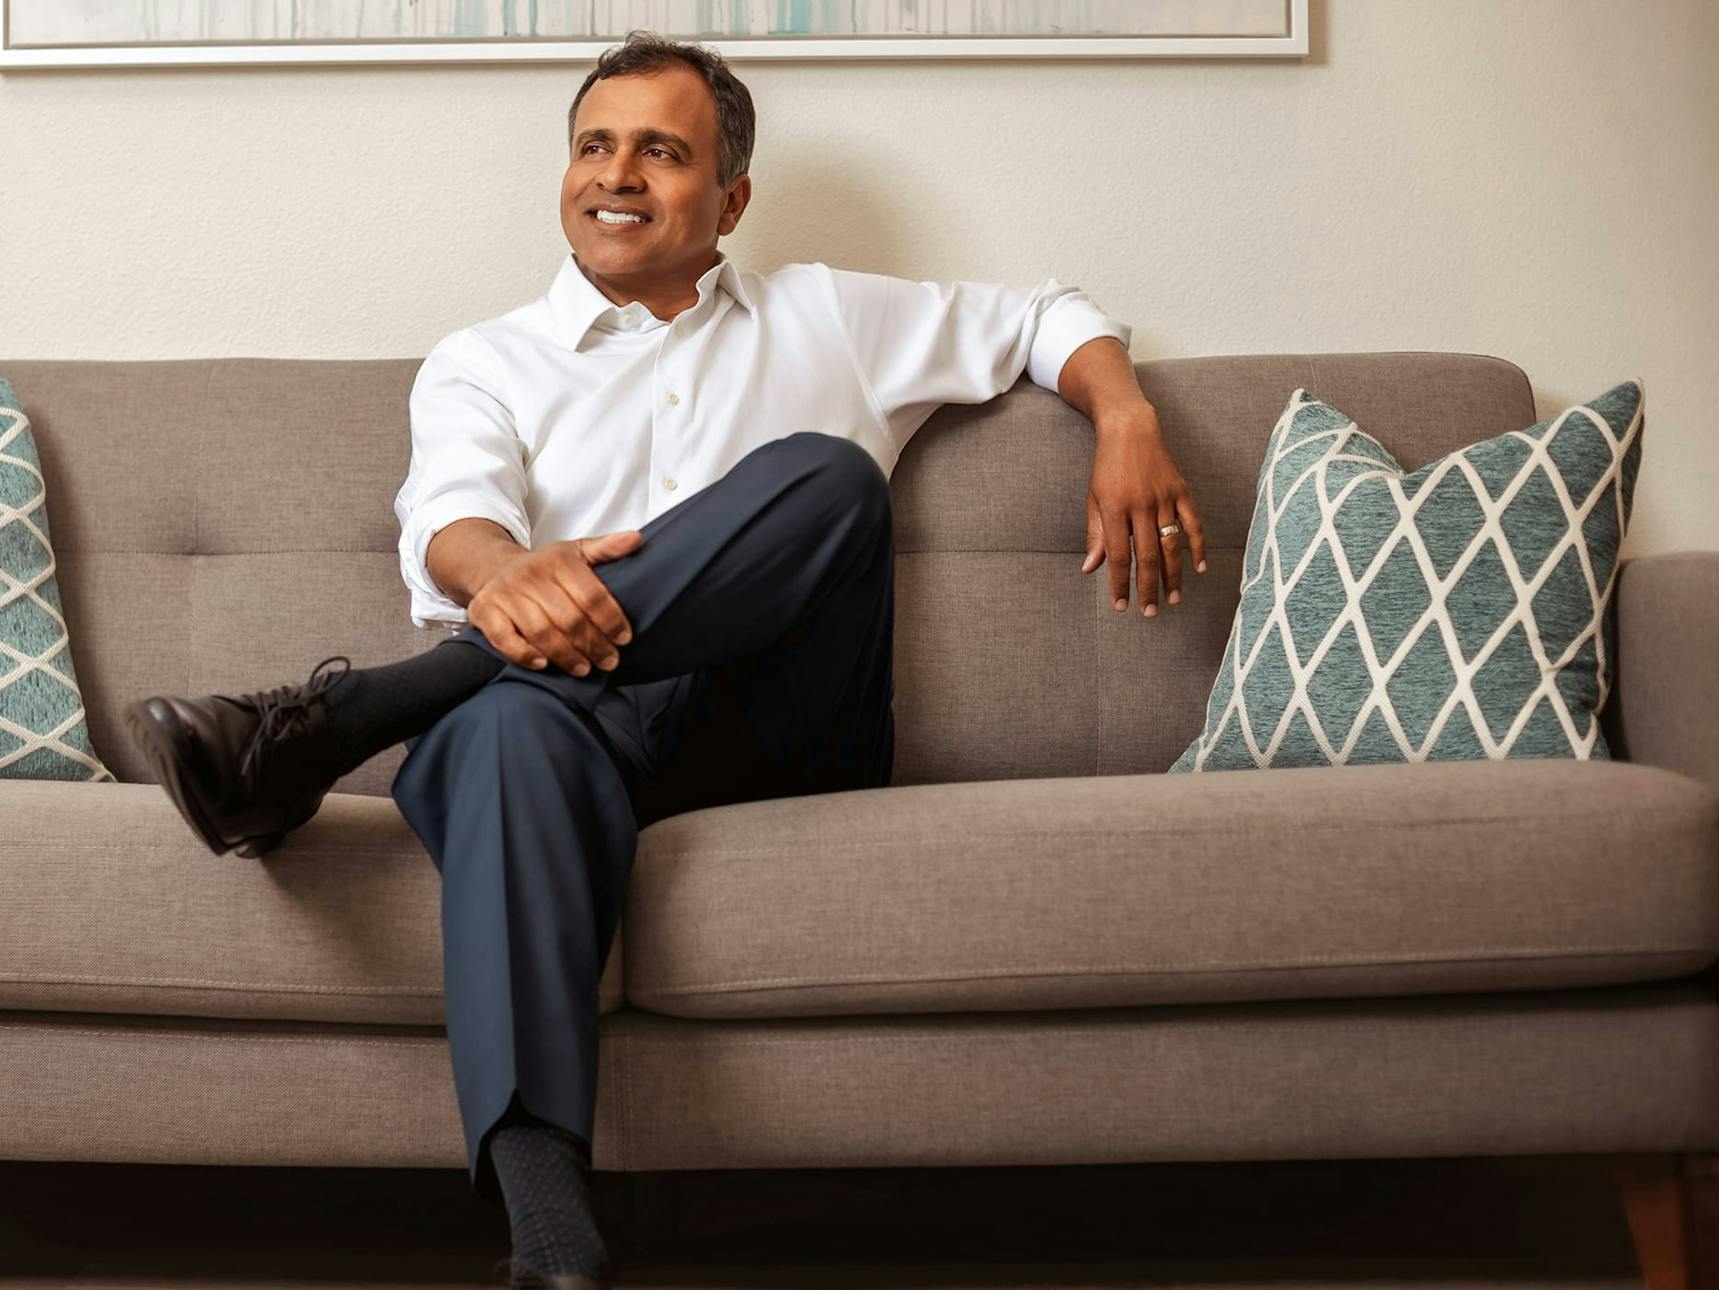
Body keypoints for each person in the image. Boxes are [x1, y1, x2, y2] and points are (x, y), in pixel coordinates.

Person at [119, 29, 1206, 1290]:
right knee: (512, 727)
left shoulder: (829, 315)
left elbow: (1041, 315)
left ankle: (349, 716)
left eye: (660, 149)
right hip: (558, 743)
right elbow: (453, 526)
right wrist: (505, 575)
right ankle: (551, 1239)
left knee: (829, 477)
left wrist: (1124, 414)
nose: (615, 173)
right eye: (593, 144)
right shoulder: (486, 359)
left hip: (774, 736)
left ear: (729, 197)